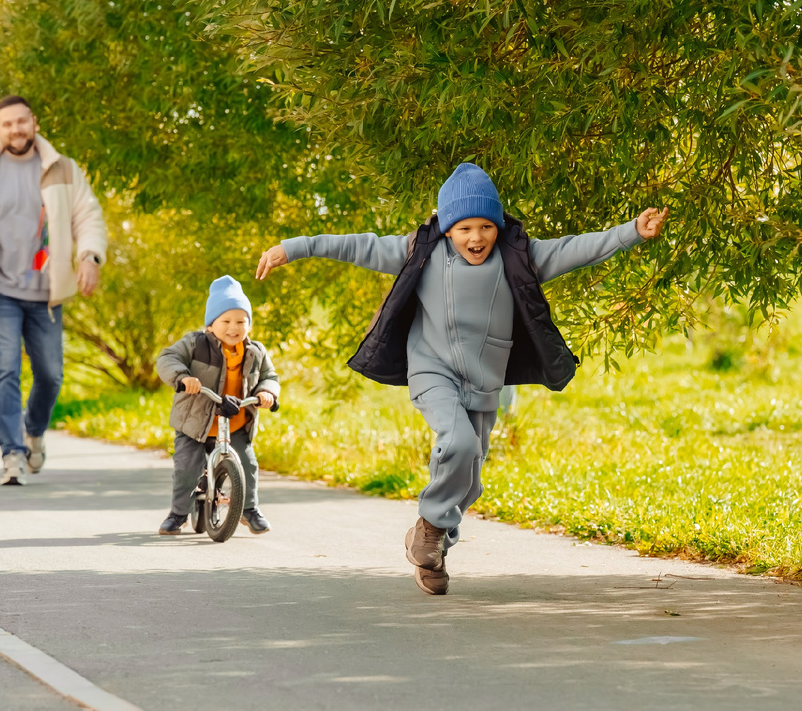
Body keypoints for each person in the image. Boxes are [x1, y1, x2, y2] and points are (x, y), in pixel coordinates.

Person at [256, 163, 668, 595]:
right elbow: (358, 246)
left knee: (470, 479)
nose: (477, 238)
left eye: (486, 226)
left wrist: (632, 232)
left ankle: (433, 544)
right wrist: (295, 247)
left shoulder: (519, 256)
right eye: (465, 227)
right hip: (431, 368)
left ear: (498, 225)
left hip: (485, 379)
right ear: (448, 228)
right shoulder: (421, 251)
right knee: (458, 443)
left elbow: (576, 249)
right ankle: (431, 528)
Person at [0, 96, 108, 486]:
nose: (16, 130)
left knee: (51, 374)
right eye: (7, 124)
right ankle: (12, 454)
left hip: (46, 293)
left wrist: (90, 256)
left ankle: (34, 432)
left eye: (21, 122)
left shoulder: (63, 169)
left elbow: (87, 214)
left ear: (34, 122)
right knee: (5, 369)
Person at [155, 276, 281, 535]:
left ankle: (249, 510)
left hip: (234, 421)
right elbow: (168, 357)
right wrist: (183, 377)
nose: (233, 328)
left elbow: (270, 377)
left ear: (249, 325)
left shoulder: (255, 352)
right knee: (187, 469)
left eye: (241, 321)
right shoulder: (196, 344)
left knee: (247, 464)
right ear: (211, 325)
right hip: (196, 423)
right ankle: (178, 514)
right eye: (225, 321)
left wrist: (267, 392)